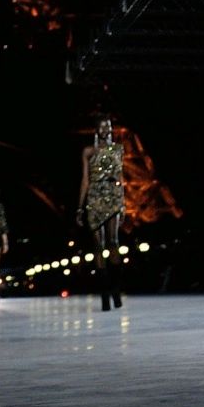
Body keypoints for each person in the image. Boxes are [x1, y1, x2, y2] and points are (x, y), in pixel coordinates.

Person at [79, 117, 126, 310]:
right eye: (101, 127)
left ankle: (115, 289)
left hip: (112, 195)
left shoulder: (119, 149)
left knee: (113, 241)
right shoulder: (88, 151)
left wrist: (123, 203)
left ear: (112, 129)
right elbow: (85, 179)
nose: (105, 129)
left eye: (108, 126)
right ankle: (105, 293)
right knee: (98, 245)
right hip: (95, 196)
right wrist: (80, 207)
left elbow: (120, 177)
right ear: (96, 130)